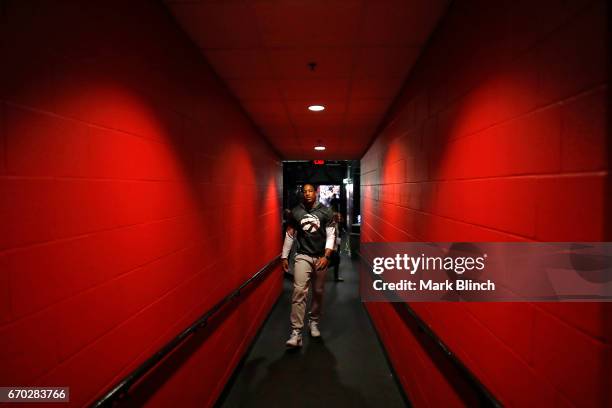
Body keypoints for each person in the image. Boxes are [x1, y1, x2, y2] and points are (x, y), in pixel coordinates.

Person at [281, 183, 336, 348]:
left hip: (321, 257)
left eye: (310, 191)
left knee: (318, 292)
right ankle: (296, 332)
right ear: (302, 194)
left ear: (316, 192)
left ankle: (313, 321)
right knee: (299, 291)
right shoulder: (296, 211)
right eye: (304, 191)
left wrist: (327, 256)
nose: (307, 194)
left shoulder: (326, 211)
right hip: (303, 256)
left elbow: (331, 235)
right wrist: (284, 255)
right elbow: (290, 234)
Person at [329, 211, 344, 282]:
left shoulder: (338, 224)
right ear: (335, 218)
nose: (340, 218)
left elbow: (338, 236)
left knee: (336, 261)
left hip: (336, 246)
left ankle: (336, 277)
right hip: (332, 247)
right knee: (335, 261)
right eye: (338, 217)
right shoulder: (331, 225)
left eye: (340, 217)